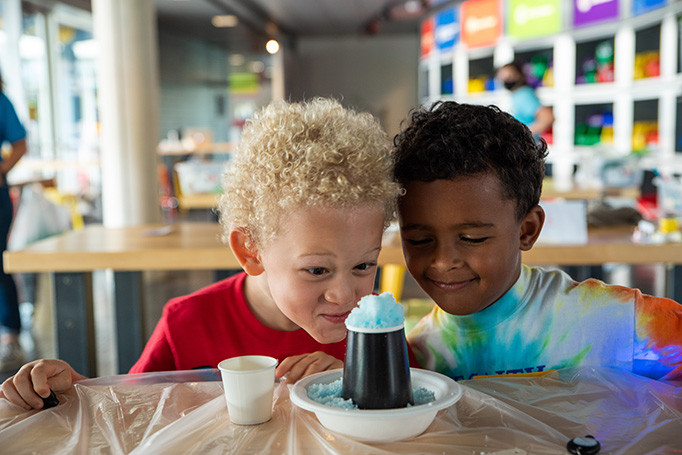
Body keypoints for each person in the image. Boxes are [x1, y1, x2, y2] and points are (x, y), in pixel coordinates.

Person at [1, 98, 403, 410]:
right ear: (251, 251)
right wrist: (69, 394)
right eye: (317, 269)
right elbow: (128, 412)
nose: (345, 294)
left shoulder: (375, 339)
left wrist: (358, 381)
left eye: (364, 265)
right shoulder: (186, 325)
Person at [392, 101, 682, 381]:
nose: (443, 261)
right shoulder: (417, 359)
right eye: (419, 240)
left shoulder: (613, 322)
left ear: (527, 230)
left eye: (472, 238)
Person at [0, 72, 28, 372]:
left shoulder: (1, 101)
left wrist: (2, 169)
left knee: (0, 262)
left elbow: (20, 143)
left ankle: (10, 337)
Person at [496, 61, 554, 138]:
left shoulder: (524, 94)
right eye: (503, 76)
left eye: (510, 75)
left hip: (523, 147)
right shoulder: (514, 95)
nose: (506, 79)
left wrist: (523, 136)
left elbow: (548, 117)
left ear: (519, 75)